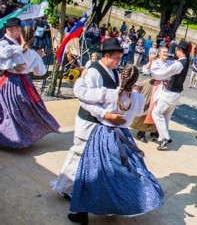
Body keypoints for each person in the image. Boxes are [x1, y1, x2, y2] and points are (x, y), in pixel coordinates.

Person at [68, 65, 164, 224]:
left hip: (103, 135)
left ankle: (82, 212)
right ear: (135, 81)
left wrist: (82, 76)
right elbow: (139, 112)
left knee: (91, 172)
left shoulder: (107, 93)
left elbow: (80, 93)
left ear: (120, 76)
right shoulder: (138, 98)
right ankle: (117, 205)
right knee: (124, 173)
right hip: (124, 138)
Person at [52, 38, 125, 199]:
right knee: (79, 153)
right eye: (116, 58)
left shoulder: (113, 71)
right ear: (106, 55)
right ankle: (64, 186)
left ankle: (84, 188)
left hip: (102, 123)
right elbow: (84, 101)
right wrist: (105, 114)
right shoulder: (93, 72)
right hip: (89, 122)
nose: (119, 62)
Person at [0, 20, 60, 148]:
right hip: (11, 80)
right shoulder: (5, 43)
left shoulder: (17, 45)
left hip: (14, 80)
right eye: (17, 29)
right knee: (13, 108)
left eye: (19, 30)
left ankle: (16, 137)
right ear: (9, 29)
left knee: (15, 109)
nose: (18, 32)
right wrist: (15, 65)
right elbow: (40, 71)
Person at [152, 40, 190, 150]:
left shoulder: (179, 64)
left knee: (157, 113)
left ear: (180, 50)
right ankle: (161, 137)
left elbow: (165, 73)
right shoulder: (186, 61)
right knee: (166, 117)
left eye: (177, 49)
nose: (176, 52)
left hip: (170, 92)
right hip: (176, 93)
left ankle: (165, 138)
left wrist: (155, 74)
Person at [131, 46, 171, 143]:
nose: (166, 53)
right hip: (153, 87)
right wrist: (150, 61)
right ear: (159, 53)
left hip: (163, 87)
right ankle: (141, 132)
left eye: (167, 52)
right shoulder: (155, 62)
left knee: (160, 110)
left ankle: (155, 130)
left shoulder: (168, 64)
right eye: (164, 52)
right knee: (148, 108)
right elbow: (145, 69)